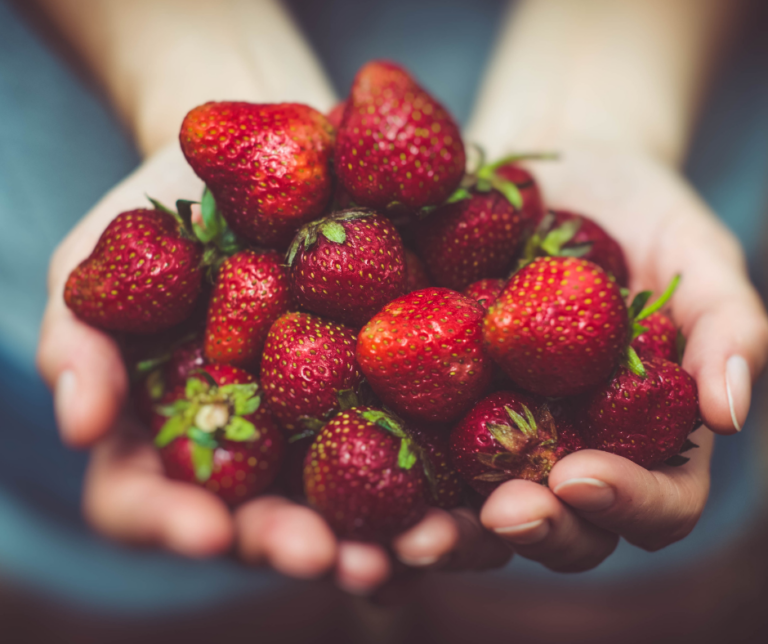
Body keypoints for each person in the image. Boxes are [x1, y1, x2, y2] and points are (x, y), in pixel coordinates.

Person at [4, 0, 767, 609]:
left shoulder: (471, 303)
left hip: (679, 93)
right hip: (77, 136)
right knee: (190, 603)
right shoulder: (374, 298)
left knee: (588, 603)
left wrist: (599, 113)